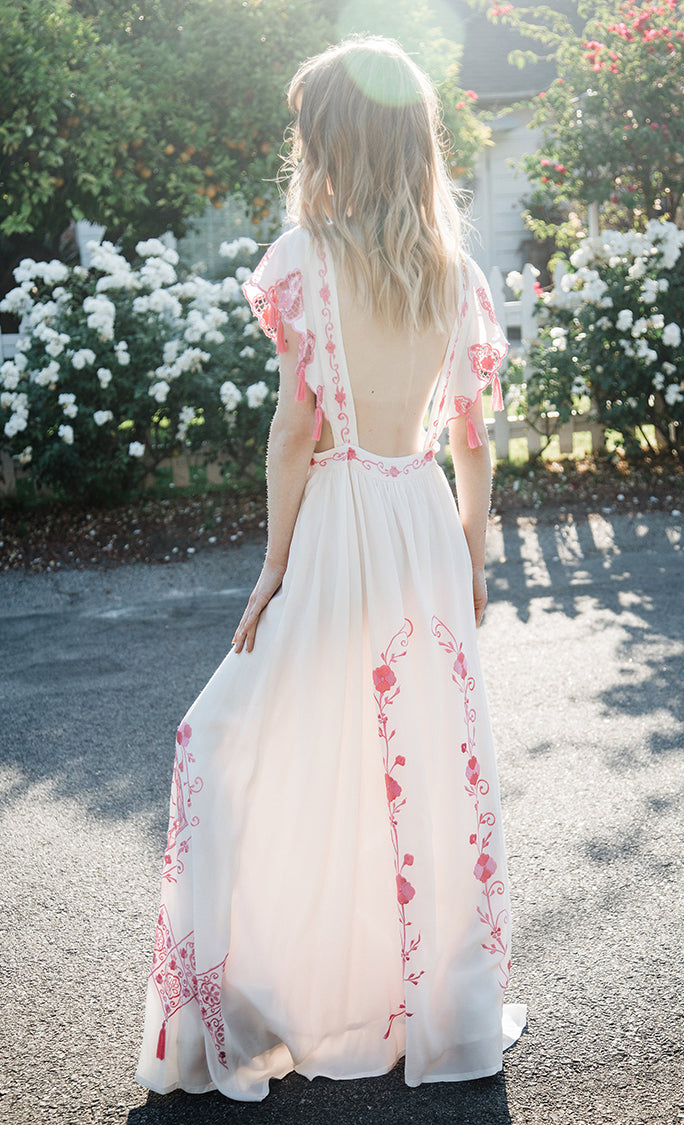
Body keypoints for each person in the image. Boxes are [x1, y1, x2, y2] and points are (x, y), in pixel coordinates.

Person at [136, 35, 526, 1102]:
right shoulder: (459, 271)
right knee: (420, 759)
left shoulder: (305, 260)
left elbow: (296, 430)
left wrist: (272, 563)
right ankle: (423, 1004)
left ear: (335, 142)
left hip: (343, 517)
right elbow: (474, 439)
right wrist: (475, 554)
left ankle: (290, 989)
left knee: (268, 738)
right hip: (421, 521)